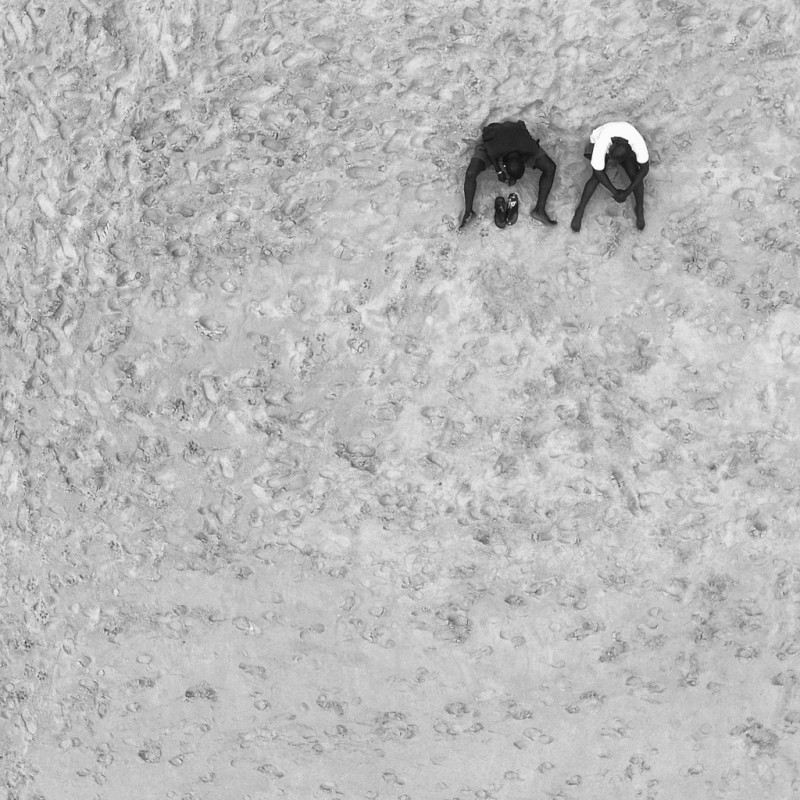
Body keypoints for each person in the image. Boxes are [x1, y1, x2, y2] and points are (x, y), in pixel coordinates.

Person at [459, 120, 557, 228]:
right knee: (470, 173)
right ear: (504, 163)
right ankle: (468, 212)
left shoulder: (529, 147)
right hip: (494, 141)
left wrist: (514, 175)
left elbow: (528, 155)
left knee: (550, 167)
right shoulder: (496, 149)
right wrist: (499, 171)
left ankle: (539, 210)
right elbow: (490, 153)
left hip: (517, 141)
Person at [570, 121, 649, 232]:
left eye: (619, 161)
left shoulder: (637, 142)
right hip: (602, 139)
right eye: (614, 159)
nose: (615, 164)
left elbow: (645, 169)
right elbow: (598, 171)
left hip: (625, 145)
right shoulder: (602, 142)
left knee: (635, 174)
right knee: (596, 177)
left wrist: (627, 192)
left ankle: (639, 209)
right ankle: (580, 209)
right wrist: (615, 192)